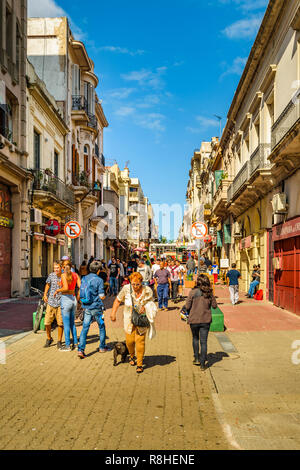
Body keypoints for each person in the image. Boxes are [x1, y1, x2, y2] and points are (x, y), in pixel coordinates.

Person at [110, 272, 157, 374]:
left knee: (140, 342)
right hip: (128, 320)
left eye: (137, 284)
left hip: (142, 320)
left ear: (141, 283)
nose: (135, 287)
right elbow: (117, 301)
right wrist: (113, 313)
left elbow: (152, 302)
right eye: (133, 284)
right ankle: (131, 355)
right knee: (130, 342)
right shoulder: (126, 289)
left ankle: (139, 364)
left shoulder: (147, 290)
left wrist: (146, 307)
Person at [77, 260, 110, 358]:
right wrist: (105, 295)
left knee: (85, 327)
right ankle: (102, 347)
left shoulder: (84, 278)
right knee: (101, 326)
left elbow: (81, 290)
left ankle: (81, 350)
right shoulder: (99, 280)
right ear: (99, 270)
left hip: (86, 306)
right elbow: (101, 296)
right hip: (96, 307)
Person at [184, 274, 217, 370]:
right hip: (205, 320)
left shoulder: (192, 292)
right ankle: (203, 364)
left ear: (198, 282)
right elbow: (214, 306)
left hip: (194, 320)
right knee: (204, 342)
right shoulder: (209, 293)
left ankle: (196, 358)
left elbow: (187, 306)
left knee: (195, 339)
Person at [54, 260, 81, 351]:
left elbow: (65, 288)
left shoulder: (63, 275)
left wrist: (57, 290)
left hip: (66, 300)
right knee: (72, 323)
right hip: (73, 300)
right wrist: (78, 295)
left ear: (63, 267)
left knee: (66, 324)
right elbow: (80, 286)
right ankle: (76, 344)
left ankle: (68, 346)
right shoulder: (76, 275)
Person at [43, 261, 64, 349]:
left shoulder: (64, 276)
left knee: (60, 323)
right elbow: (48, 285)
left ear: (61, 268)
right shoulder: (51, 275)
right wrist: (45, 294)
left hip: (61, 302)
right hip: (51, 301)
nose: (56, 269)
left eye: (57, 268)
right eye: (54, 268)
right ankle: (49, 338)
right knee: (47, 322)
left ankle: (59, 341)